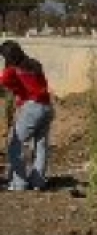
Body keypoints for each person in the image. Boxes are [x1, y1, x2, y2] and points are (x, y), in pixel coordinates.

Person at [1, 40, 54, 192]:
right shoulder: (34, 64)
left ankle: (19, 183)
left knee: (15, 147)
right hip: (47, 107)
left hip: (32, 108)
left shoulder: (12, 69)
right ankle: (38, 182)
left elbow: (3, 83)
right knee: (41, 145)